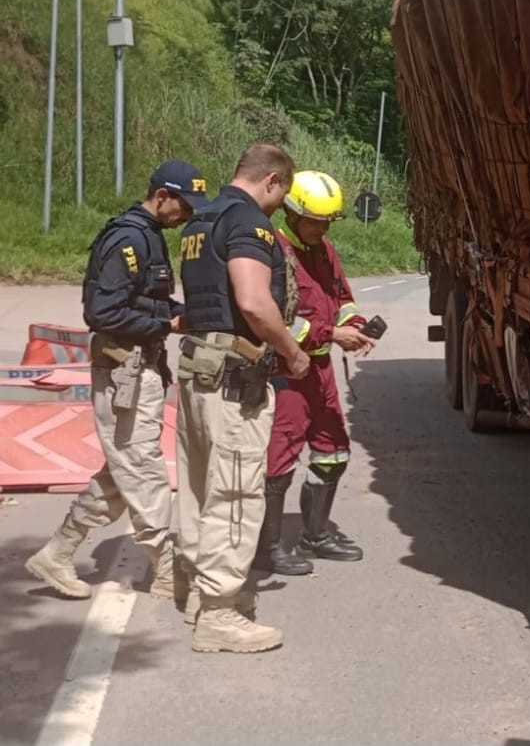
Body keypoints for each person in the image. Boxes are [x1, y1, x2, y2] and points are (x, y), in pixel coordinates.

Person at [25, 160, 209, 599]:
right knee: (142, 470)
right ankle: (165, 569)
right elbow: (102, 313)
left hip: (139, 369)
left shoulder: (149, 237)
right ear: (161, 196)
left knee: (123, 471)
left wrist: (177, 311)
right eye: (182, 205)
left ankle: (57, 552)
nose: (185, 216)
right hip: (122, 374)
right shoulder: (128, 239)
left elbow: (147, 298)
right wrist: (168, 322)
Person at [176, 143, 310, 654]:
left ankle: (197, 590)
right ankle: (219, 614)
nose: (279, 206)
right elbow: (254, 302)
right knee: (234, 492)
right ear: (272, 180)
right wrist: (292, 353)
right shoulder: (249, 224)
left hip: (197, 369)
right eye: (282, 194)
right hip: (235, 378)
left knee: (199, 487)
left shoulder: (199, 221)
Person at [255, 170, 378, 576]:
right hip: (288, 368)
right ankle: (267, 547)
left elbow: (342, 298)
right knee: (280, 458)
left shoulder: (324, 249)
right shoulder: (273, 251)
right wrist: (330, 333)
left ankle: (316, 534)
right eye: (315, 221)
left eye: (328, 222)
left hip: (321, 368)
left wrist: (355, 327)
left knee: (333, 450)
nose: (322, 228)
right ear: (291, 213)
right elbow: (274, 319)